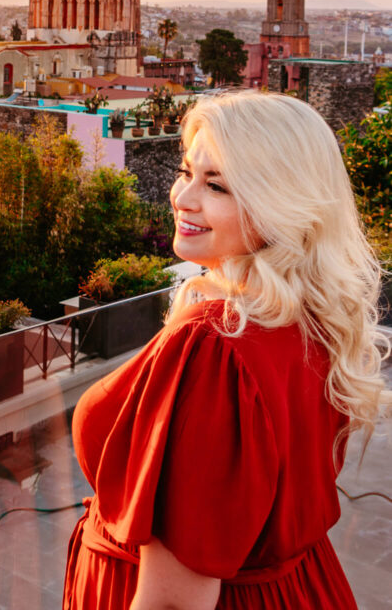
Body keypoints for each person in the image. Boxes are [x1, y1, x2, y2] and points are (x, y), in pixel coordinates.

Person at [63, 90, 389, 610]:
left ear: (281, 204)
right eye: (186, 171)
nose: (183, 198)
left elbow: (174, 603)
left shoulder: (215, 346)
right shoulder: (312, 315)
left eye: (216, 185)